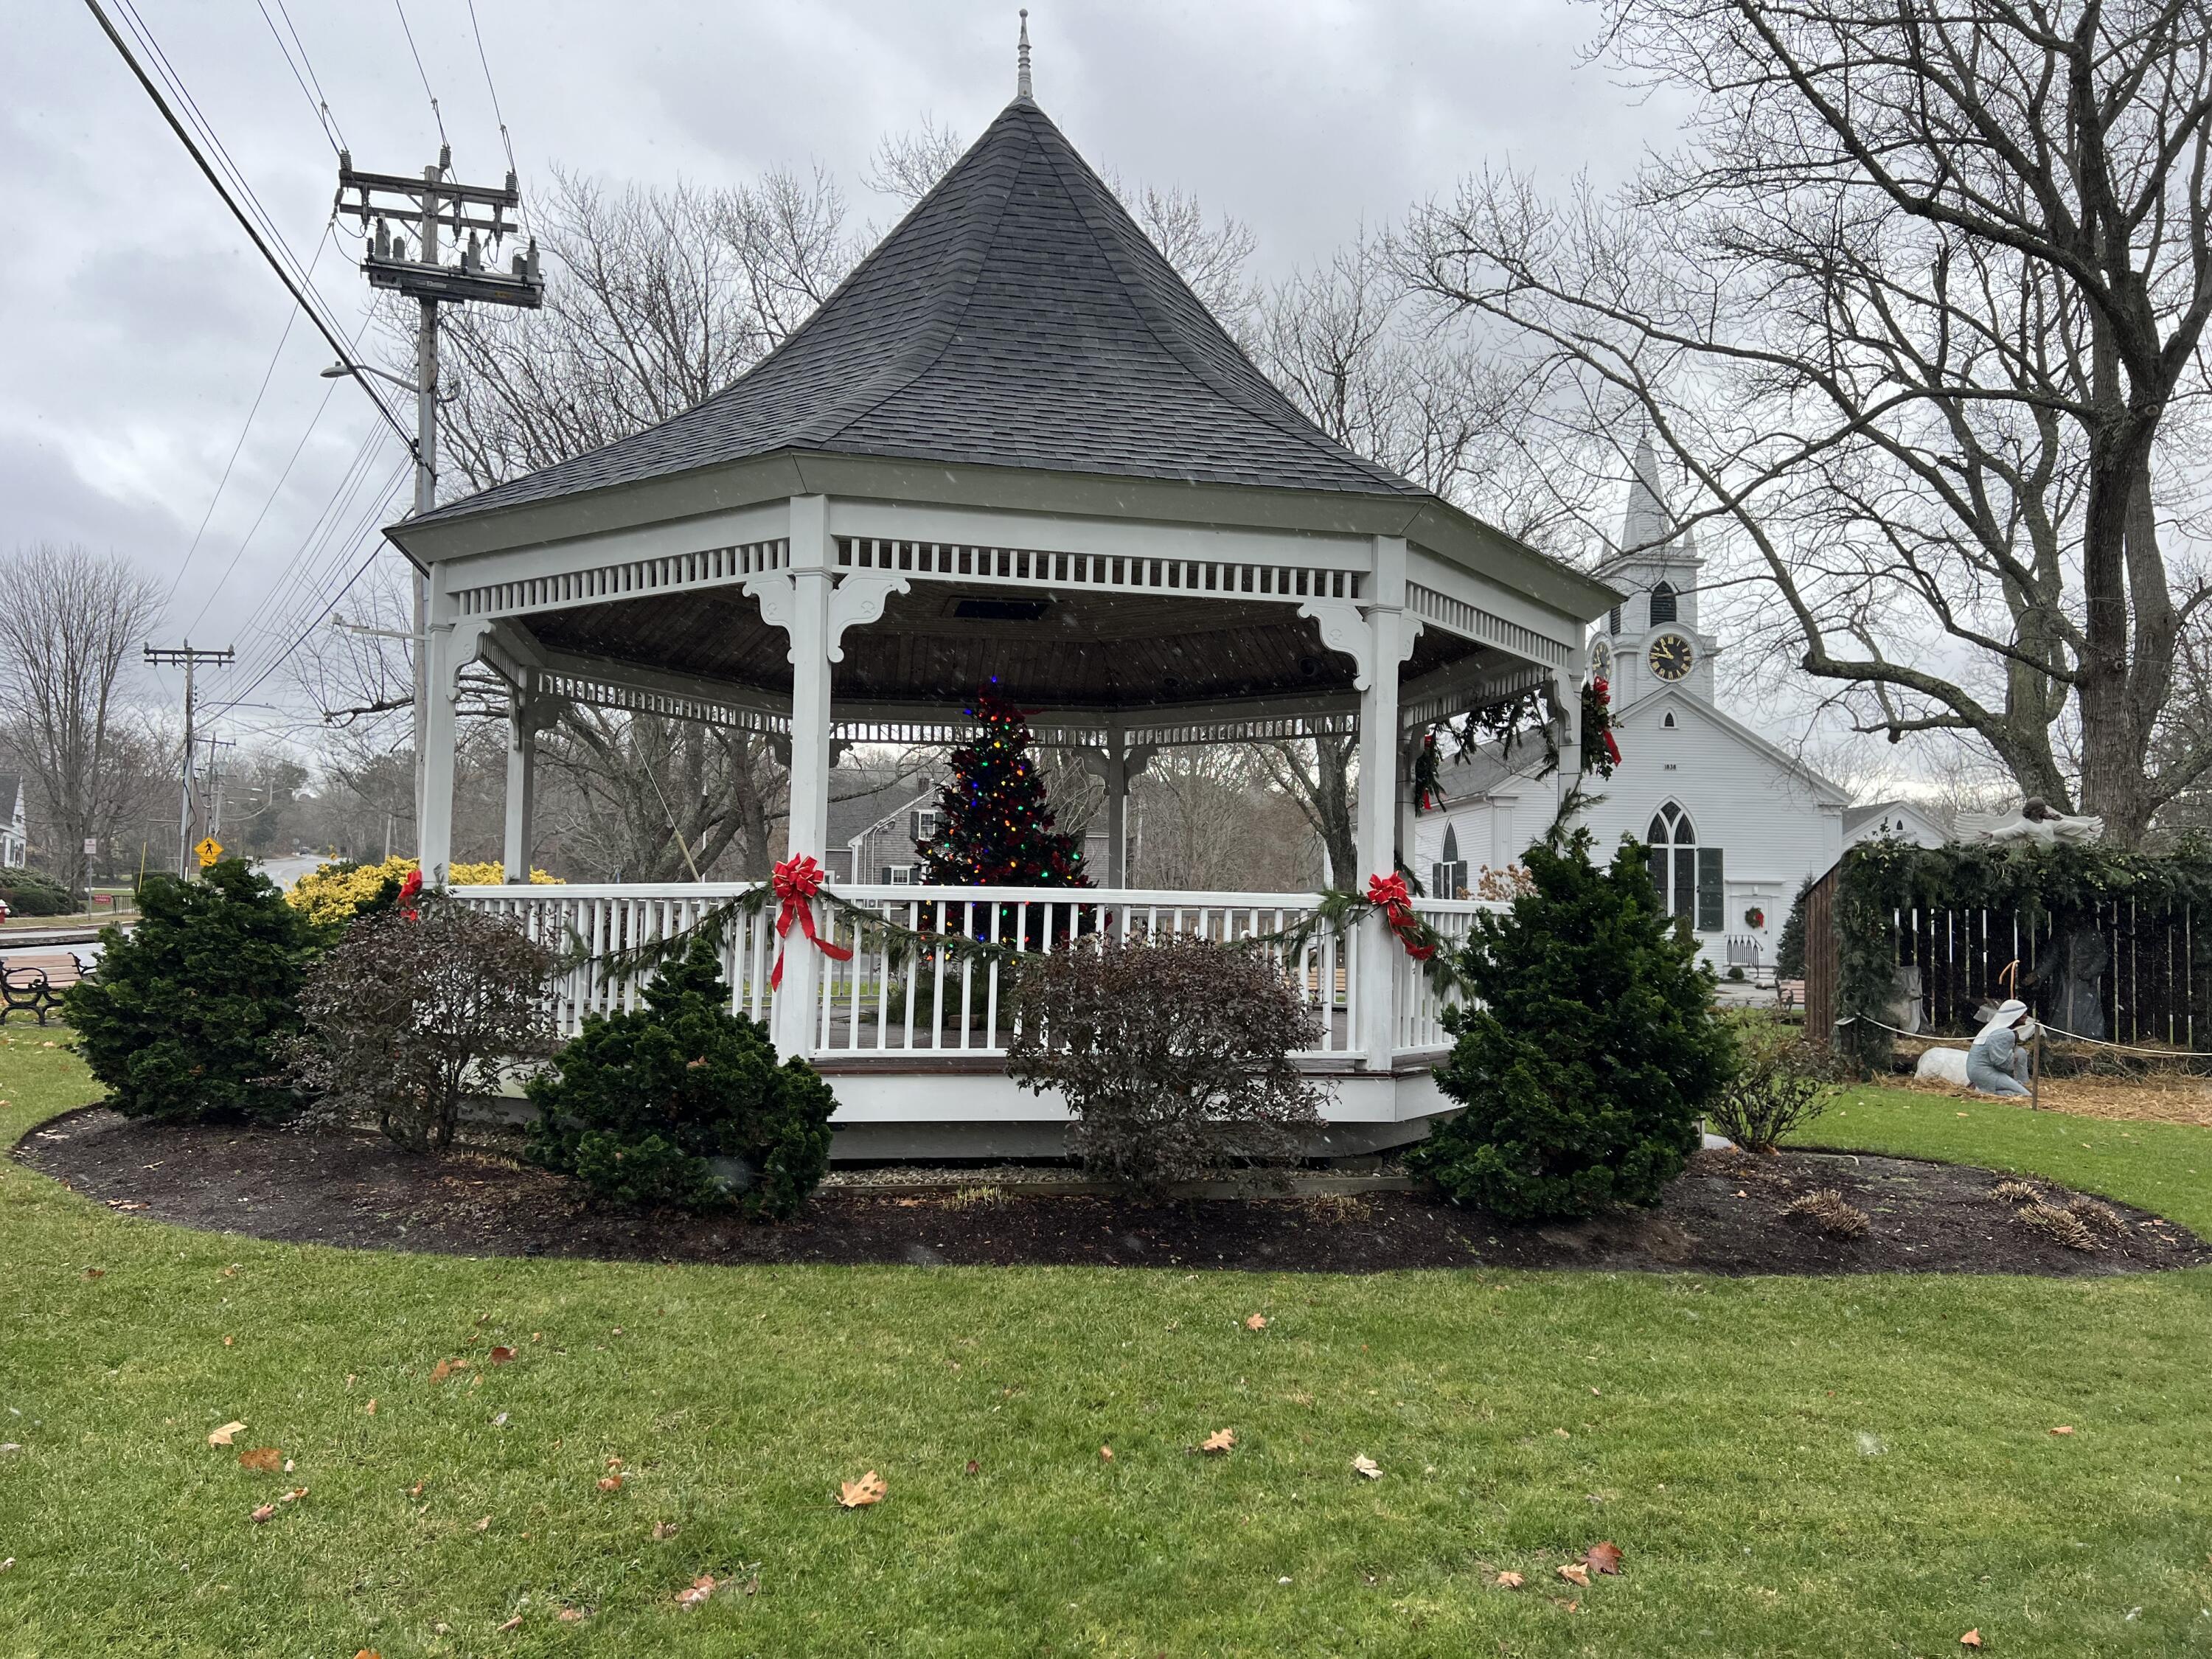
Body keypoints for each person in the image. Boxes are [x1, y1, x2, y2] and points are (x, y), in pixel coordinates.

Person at [1965, 999, 2037, 1096]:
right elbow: (2001, 1063)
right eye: (2023, 1013)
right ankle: (1984, 1091)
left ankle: (2017, 1085)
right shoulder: (2004, 1034)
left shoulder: (2000, 1031)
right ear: (2015, 1016)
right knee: (2027, 1096)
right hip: (1984, 1073)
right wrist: (2013, 1058)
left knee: (2021, 1052)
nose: (2026, 1016)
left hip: (1978, 1071)